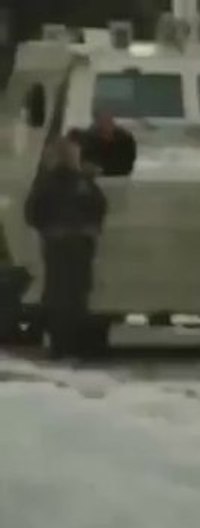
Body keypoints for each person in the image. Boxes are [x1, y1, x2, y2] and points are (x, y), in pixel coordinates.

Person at [24, 135, 107, 359]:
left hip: (57, 243)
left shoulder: (45, 183)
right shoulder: (85, 183)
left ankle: (60, 345)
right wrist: (91, 228)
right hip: (81, 243)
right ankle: (77, 344)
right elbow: (100, 207)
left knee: (57, 294)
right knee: (78, 294)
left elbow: (32, 213)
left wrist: (47, 228)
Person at [76, 110, 137, 178]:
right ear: (96, 121)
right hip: (95, 177)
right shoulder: (88, 138)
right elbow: (84, 161)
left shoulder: (126, 139)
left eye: (108, 119)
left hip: (120, 177)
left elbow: (128, 164)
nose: (106, 123)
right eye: (102, 120)